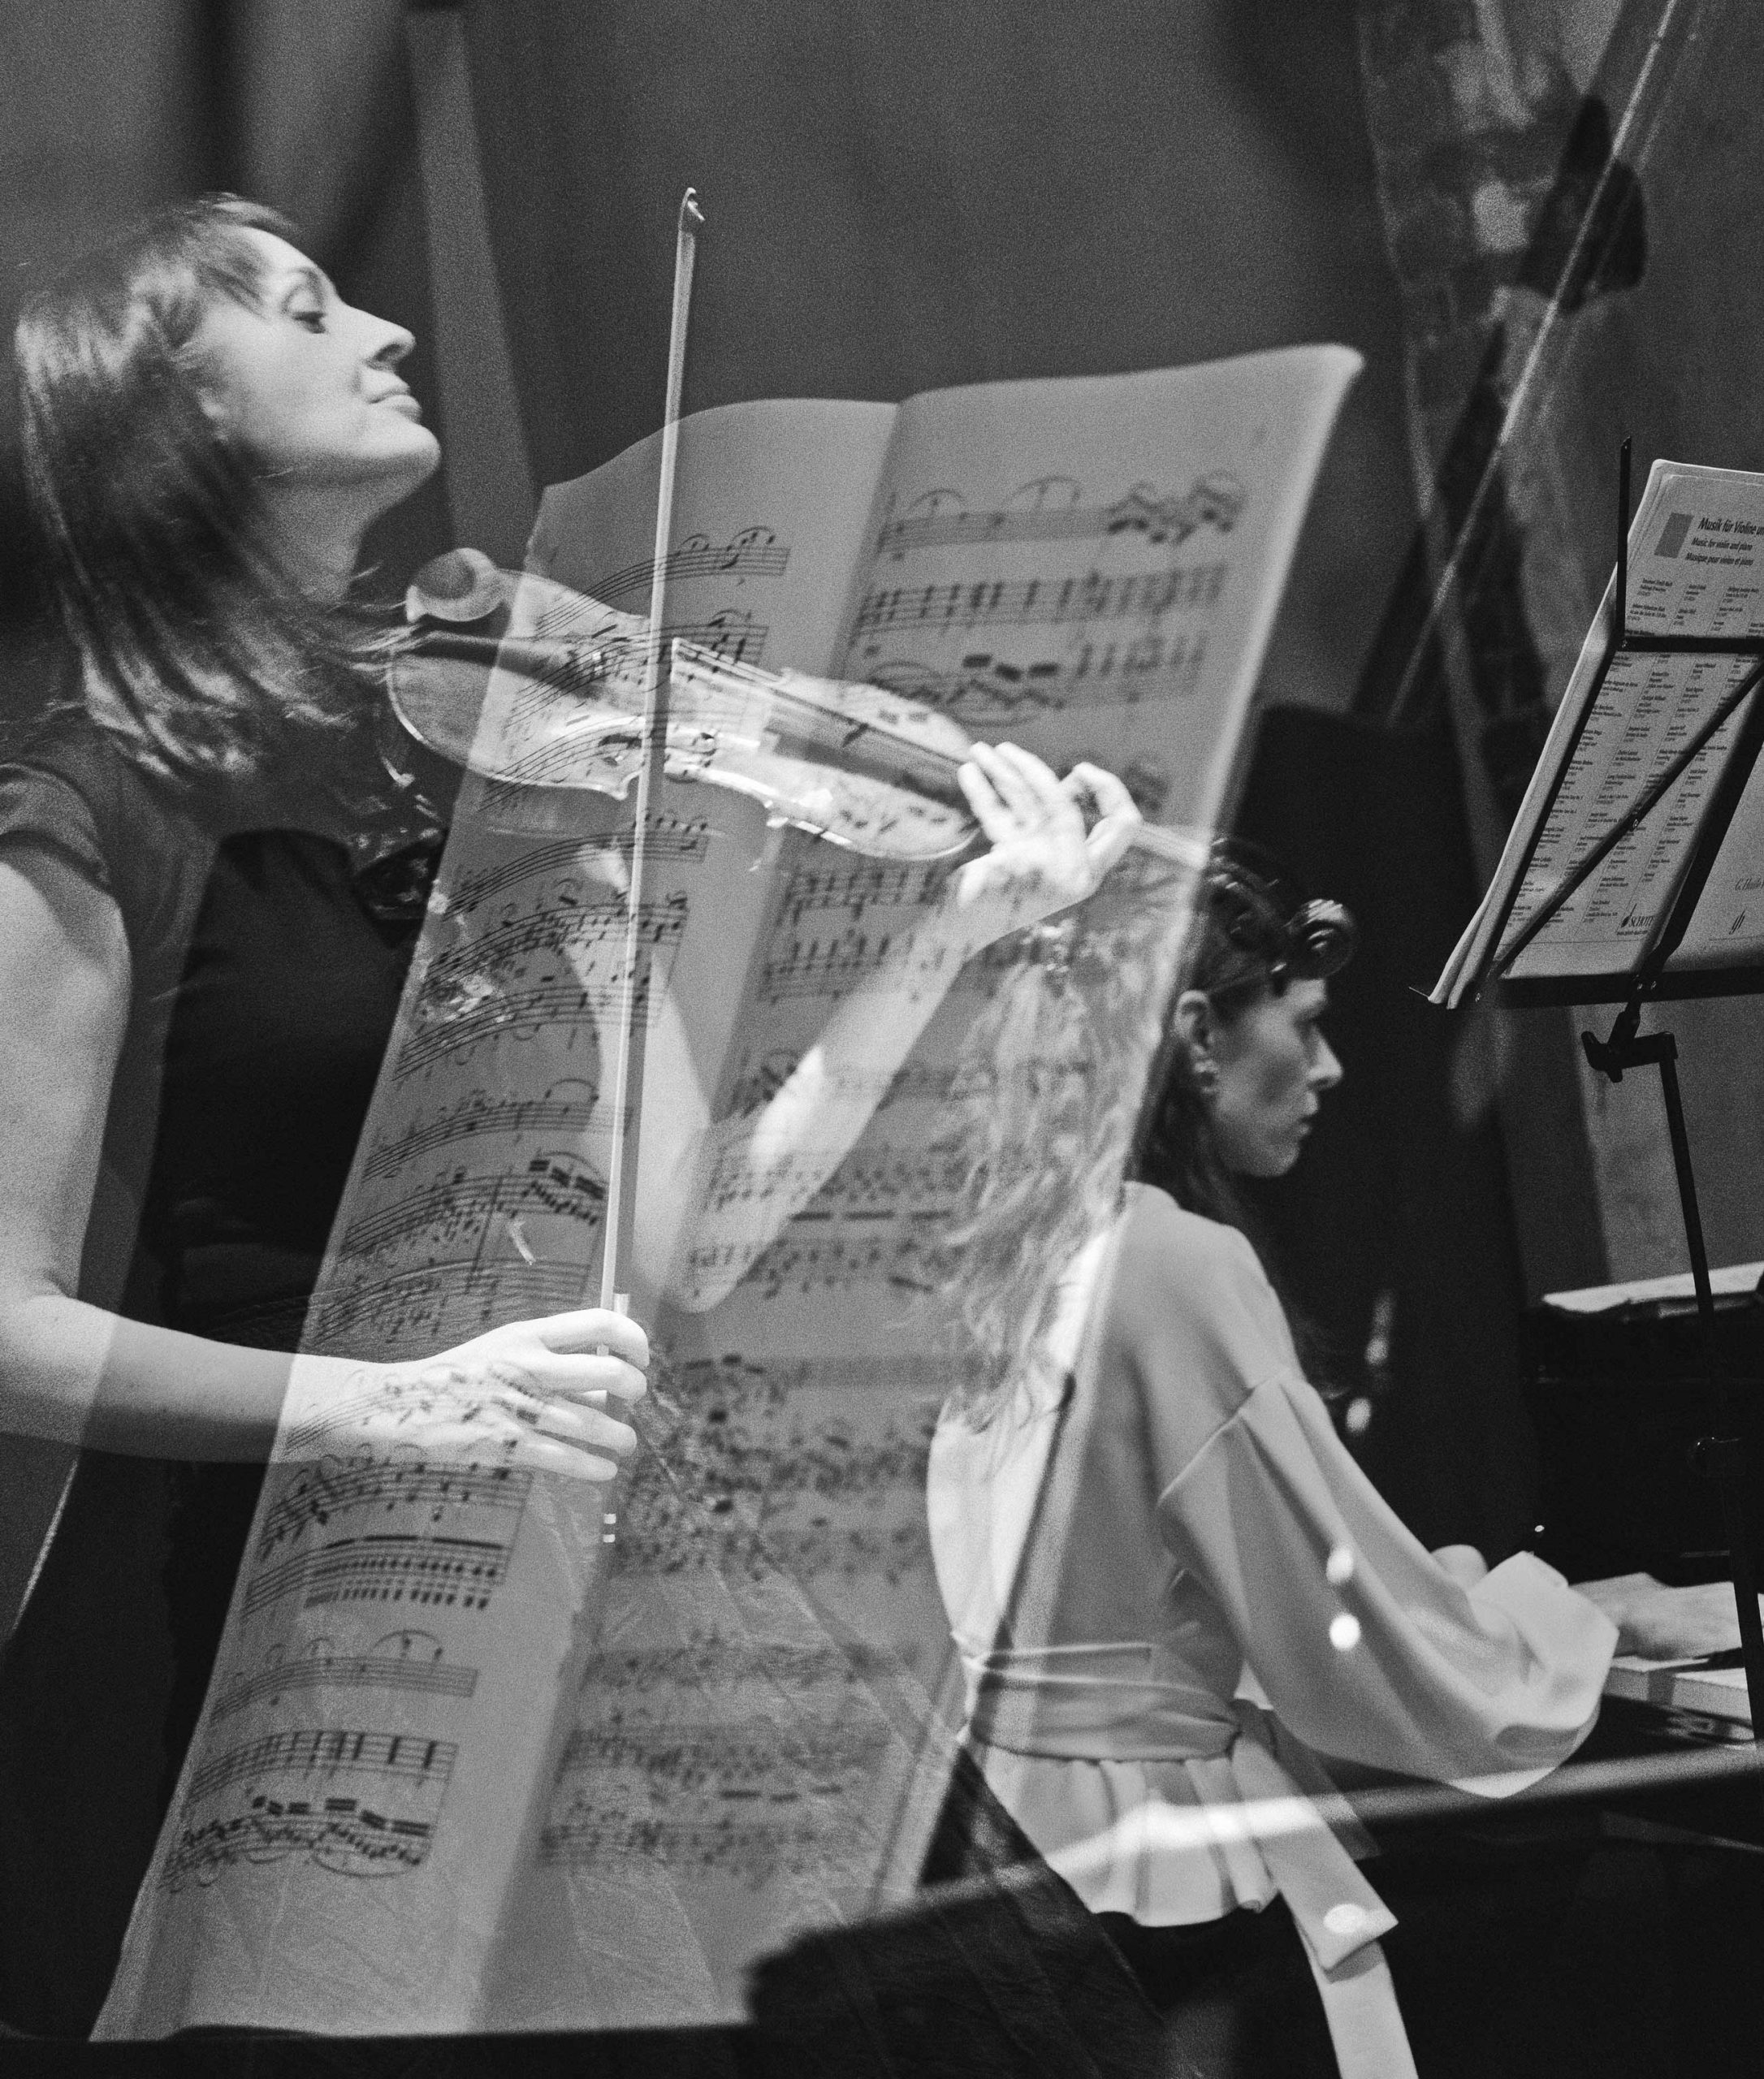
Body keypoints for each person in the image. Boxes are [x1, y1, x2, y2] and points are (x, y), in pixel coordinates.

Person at [0, 195, 1140, 2034]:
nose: (385, 331)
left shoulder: (514, 763)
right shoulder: (85, 813)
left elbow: (691, 1230)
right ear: (176, 410)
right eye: (308, 308)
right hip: (313, 1617)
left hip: (610, 1570)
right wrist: (395, 1401)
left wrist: (955, 929)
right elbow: (6, 1322)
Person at [926, 852, 1754, 2079]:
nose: (1329, 1069)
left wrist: (1460, 1591)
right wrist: (1593, 1615)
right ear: (1197, 1034)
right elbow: (1367, 1656)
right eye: (1304, 1024)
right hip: (1162, 1892)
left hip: (1012, 1847)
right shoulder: (1172, 1264)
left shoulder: (1021, 1245)